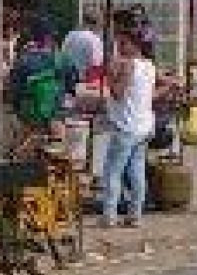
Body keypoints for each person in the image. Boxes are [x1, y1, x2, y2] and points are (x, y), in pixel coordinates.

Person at [100, 30, 157, 228]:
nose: (120, 48)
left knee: (112, 172)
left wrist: (110, 74)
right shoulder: (149, 66)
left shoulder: (129, 65)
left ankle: (109, 215)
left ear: (135, 45)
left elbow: (117, 93)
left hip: (126, 126)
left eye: (123, 43)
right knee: (136, 171)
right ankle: (135, 215)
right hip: (143, 126)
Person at [6, 20, 77, 146]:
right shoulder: (62, 60)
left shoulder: (23, 60)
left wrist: (17, 109)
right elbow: (72, 87)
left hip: (29, 118)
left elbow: (13, 91)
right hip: (55, 118)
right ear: (50, 38)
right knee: (59, 157)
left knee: (23, 157)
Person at [61, 14, 105, 84]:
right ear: (94, 25)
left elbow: (63, 54)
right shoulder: (95, 39)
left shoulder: (70, 35)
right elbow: (97, 63)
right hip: (86, 80)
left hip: (67, 78)